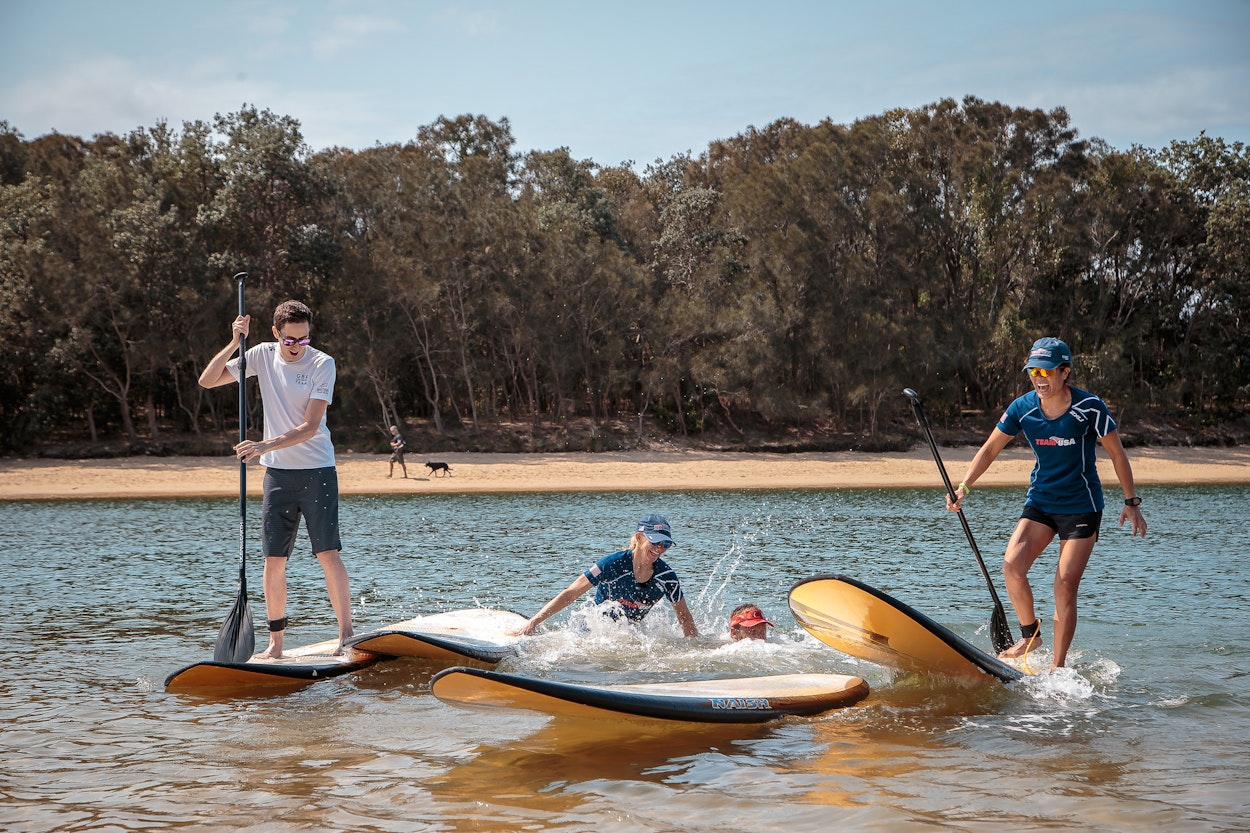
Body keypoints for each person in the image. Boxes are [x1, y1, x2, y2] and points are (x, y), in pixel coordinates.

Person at [946, 336, 1147, 669]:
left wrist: (1131, 501)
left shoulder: (1090, 407)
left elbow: (1116, 452)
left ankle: (1058, 666)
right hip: (1042, 501)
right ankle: (1031, 635)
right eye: (1032, 371)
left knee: (1065, 583)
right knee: (1012, 565)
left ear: (1064, 372)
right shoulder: (1022, 408)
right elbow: (990, 449)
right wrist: (964, 486)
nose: (1039, 378)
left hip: (1082, 506)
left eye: (1046, 370)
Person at [199, 300, 354, 658]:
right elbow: (207, 381)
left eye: (304, 338)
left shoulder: (322, 363)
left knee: (327, 553)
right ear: (275, 334)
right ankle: (276, 645)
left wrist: (264, 444)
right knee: (273, 561)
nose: (298, 346)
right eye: (290, 340)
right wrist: (235, 342)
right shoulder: (260, 355)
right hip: (278, 476)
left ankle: (346, 634)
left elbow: (311, 427)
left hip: (317, 472)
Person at [517, 513, 700, 637]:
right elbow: (571, 593)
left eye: (665, 544)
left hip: (630, 634)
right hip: (592, 632)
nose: (659, 549)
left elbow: (685, 618)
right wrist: (533, 623)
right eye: (655, 542)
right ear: (639, 538)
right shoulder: (611, 564)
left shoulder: (667, 577)